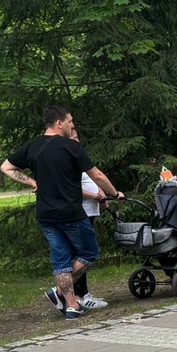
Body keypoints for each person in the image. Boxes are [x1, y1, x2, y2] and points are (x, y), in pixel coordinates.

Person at [1, 106, 123, 321]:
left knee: (61, 261)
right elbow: (96, 175)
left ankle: (72, 306)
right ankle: (58, 291)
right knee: (89, 253)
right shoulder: (71, 147)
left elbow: (6, 167)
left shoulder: (32, 146)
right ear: (59, 123)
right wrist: (114, 193)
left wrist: (31, 181)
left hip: (46, 215)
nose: (72, 125)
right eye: (70, 121)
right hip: (71, 213)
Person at [70, 123, 108, 310]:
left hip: (90, 210)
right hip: (81, 211)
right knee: (83, 253)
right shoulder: (68, 162)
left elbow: (92, 179)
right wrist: (94, 195)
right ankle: (80, 294)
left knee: (82, 253)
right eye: (72, 138)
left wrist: (101, 195)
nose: (76, 141)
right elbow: (72, 189)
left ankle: (80, 293)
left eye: (77, 137)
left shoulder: (78, 158)